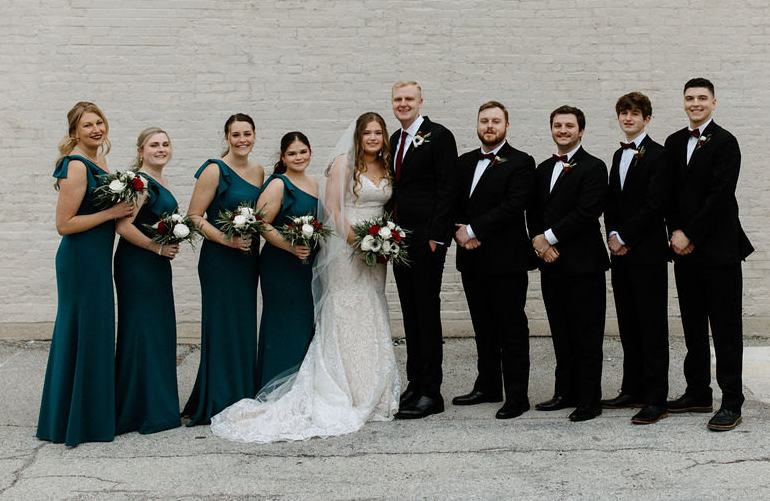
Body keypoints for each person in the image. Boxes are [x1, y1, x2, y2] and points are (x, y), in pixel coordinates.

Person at [210, 113, 400, 442]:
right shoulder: (295, 178)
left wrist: (384, 240)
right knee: (338, 309)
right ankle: (329, 383)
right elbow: (307, 217)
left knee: (369, 308)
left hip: (372, 250)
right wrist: (355, 241)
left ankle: (371, 385)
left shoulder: (338, 175)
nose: (372, 137)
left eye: (377, 132)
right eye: (292, 153)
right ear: (282, 158)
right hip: (342, 248)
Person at [37, 101, 134, 447]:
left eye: (100, 123)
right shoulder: (76, 166)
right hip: (79, 260)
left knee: (95, 332)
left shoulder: (99, 161)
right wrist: (111, 213)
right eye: (88, 125)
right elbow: (64, 225)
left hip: (97, 258)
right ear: (75, 132)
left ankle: (89, 414)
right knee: (81, 331)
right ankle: (71, 419)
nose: (96, 130)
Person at [663, 78, 754, 432]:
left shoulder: (726, 142)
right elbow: (668, 193)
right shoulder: (673, 142)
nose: (695, 103)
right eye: (690, 98)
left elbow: (720, 196)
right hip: (683, 250)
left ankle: (732, 401)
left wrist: (690, 233)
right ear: (683, 103)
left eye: (702, 98)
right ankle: (698, 392)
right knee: (693, 325)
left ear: (714, 103)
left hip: (719, 251)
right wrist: (674, 233)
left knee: (726, 328)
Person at [452, 101, 535, 420]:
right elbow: (452, 203)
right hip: (470, 258)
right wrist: (459, 231)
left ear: (506, 126)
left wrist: (474, 229)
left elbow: (514, 205)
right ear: (477, 124)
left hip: (506, 260)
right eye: (484, 120)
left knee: (511, 327)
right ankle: (487, 385)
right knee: (483, 326)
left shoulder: (521, 162)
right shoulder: (463, 162)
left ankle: (517, 395)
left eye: (496, 121)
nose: (489, 125)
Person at [526, 105, 608, 423]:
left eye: (569, 126)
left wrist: (548, 237)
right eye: (558, 125)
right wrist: (538, 242)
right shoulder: (543, 168)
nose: (563, 130)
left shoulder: (594, 167)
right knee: (560, 331)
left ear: (581, 131)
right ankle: (565, 392)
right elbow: (531, 210)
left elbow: (587, 212)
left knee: (587, 334)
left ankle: (589, 399)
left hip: (584, 264)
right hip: (551, 263)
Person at [182, 114, 264, 426]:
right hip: (220, 258)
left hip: (248, 259)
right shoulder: (214, 170)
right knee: (221, 326)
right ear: (226, 137)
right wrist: (226, 240)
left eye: (247, 134)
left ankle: (242, 393)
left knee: (243, 325)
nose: (242, 140)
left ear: (255, 135)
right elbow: (194, 216)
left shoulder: (258, 171)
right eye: (236, 135)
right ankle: (217, 397)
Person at [388, 80, 458, 420]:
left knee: (427, 314)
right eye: (398, 99)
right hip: (399, 240)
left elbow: (448, 187)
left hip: (427, 239)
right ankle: (415, 384)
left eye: (409, 99)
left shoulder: (439, 136)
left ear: (420, 101)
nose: (403, 104)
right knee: (411, 313)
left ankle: (432, 392)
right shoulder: (394, 139)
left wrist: (437, 236)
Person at [601, 93, 671, 425]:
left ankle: (656, 398)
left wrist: (625, 237)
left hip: (647, 254)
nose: (628, 118)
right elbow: (612, 203)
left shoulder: (659, 155)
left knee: (651, 326)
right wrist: (612, 236)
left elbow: (655, 205)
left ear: (647, 119)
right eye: (624, 113)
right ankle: (632, 388)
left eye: (635, 114)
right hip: (621, 253)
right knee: (628, 323)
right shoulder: (619, 154)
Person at [112, 127, 182, 435]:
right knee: (143, 331)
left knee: (156, 331)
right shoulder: (140, 183)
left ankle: (153, 406)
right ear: (141, 151)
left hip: (154, 265)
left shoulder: (160, 180)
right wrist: (158, 246)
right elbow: (123, 226)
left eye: (165, 144)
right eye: (154, 145)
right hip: (138, 264)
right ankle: (143, 411)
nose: (160, 149)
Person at [254, 132, 319, 389]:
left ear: (310, 152)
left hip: (305, 265)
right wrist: (290, 246)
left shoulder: (313, 183)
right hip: (280, 265)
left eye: (302, 151)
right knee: (283, 322)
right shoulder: (278, 184)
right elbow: (259, 222)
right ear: (283, 157)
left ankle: (301, 386)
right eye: (292, 153)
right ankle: (275, 384)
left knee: (303, 321)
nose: (298, 157)